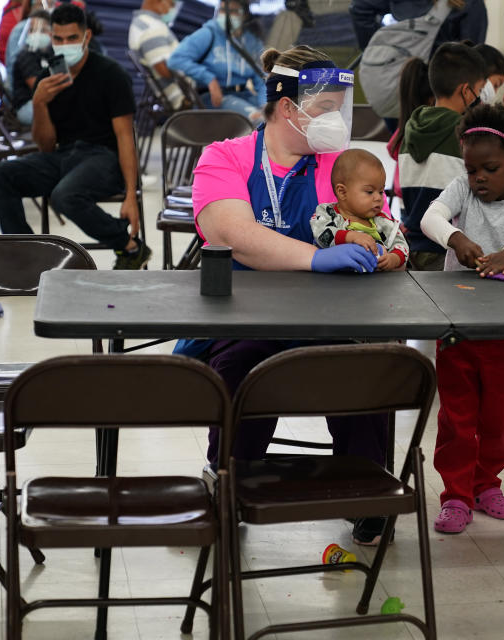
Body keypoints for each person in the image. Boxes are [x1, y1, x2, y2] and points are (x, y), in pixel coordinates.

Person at [182, 44, 392, 546]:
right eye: (326, 110)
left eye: (342, 109)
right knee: (243, 366)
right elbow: (230, 234)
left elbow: (381, 225)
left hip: (331, 319)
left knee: (367, 366)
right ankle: (232, 480)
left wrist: (382, 244)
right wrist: (316, 257)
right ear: (287, 109)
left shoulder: (340, 167)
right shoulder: (224, 158)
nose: (338, 122)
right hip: (247, 319)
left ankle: (366, 488)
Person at [420, 103, 504, 533]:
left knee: (496, 417)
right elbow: (430, 217)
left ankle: (487, 485)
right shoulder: (461, 189)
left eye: (490, 169)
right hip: (456, 327)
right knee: (456, 417)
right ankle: (456, 495)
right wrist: (455, 237)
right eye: (472, 169)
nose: (478, 178)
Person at [0, 4, 150, 269]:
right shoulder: (50, 76)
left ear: (86, 37)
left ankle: (129, 246)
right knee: (1, 175)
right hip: (64, 155)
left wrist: (130, 194)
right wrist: (39, 104)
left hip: (104, 157)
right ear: (51, 38)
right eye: (58, 39)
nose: (64, 44)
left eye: (72, 38)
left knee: (64, 195)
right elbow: (45, 145)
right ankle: (26, 258)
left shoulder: (111, 74)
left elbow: (126, 137)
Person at [398, 41, 485, 271]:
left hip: (415, 247)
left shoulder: (412, 126)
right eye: (480, 90)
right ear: (466, 91)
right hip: (449, 248)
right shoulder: (465, 133)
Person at [310, 148, 408, 270]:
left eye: (381, 191)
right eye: (369, 192)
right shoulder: (328, 213)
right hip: (333, 283)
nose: (378, 197)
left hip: (374, 285)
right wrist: (350, 236)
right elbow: (321, 233)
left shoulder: (383, 221)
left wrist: (394, 258)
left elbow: (401, 244)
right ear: (342, 192)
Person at [168, 0, 265, 123]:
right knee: (259, 121)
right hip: (214, 98)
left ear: (245, 15)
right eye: (223, 10)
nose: (226, 15)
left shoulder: (251, 42)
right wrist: (209, 79)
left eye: (233, 11)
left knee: (276, 118)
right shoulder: (208, 34)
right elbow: (176, 59)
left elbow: (262, 78)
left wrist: (266, 104)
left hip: (244, 94)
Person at [349, 0, 487, 51]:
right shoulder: (469, 4)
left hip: (400, 86)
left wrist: (374, 48)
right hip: (442, 92)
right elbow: (471, 57)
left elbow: (359, 8)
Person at [386, 56, 433, 200]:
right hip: (422, 201)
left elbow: (392, 148)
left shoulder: (404, 130)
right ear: (432, 100)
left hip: (404, 198)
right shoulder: (430, 130)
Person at [129, 0, 184, 109]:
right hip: (182, 97)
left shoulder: (145, 24)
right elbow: (163, 68)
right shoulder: (150, 27)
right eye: (171, 3)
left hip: (182, 95)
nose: (173, 9)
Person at [10, 9, 51, 125]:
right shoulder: (26, 55)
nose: (36, 34)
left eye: (42, 30)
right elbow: (38, 88)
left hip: (45, 101)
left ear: (51, 32)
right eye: (32, 30)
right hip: (28, 105)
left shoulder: (50, 53)